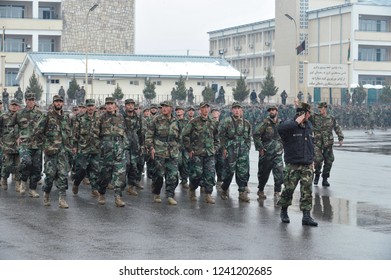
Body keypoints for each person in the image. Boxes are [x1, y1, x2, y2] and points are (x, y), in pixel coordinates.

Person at [277, 102, 318, 226]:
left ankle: (306, 216)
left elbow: (311, 144)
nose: (309, 115)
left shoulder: (309, 125)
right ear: (302, 114)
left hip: (307, 164)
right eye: (308, 113)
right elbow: (280, 128)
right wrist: (295, 122)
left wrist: (313, 160)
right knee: (289, 189)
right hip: (293, 164)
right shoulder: (289, 125)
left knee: (307, 191)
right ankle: (284, 211)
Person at [35, 95, 72, 208]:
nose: (58, 104)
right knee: (50, 175)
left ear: (63, 103)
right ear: (53, 103)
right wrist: (45, 145)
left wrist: (69, 148)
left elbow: (69, 134)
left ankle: (62, 199)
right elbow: (37, 131)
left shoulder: (66, 118)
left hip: (63, 152)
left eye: (60, 102)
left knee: (63, 175)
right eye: (56, 102)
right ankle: (46, 194)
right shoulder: (47, 116)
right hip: (51, 152)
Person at [182, 101, 219, 204]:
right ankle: (192, 189)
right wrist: (189, 149)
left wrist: (215, 148)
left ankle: (208, 194)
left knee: (210, 174)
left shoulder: (213, 122)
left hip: (210, 154)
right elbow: (185, 135)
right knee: (196, 174)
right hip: (197, 153)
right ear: (200, 110)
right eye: (203, 108)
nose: (205, 110)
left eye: (207, 108)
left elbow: (217, 137)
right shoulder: (194, 122)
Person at [145, 100, 180, 205]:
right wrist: (151, 147)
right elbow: (149, 135)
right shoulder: (156, 120)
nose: (164, 108)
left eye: (167, 106)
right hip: (159, 150)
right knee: (159, 175)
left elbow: (180, 136)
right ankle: (156, 193)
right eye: (162, 107)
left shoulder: (176, 121)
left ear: (171, 108)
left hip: (172, 151)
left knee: (173, 175)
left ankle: (170, 195)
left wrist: (178, 146)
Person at [97, 97, 127, 207]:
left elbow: (125, 132)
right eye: (107, 104)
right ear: (105, 106)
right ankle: (101, 193)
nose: (109, 106)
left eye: (111, 104)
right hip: (106, 150)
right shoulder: (100, 118)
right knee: (105, 175)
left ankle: (118, 197)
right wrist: (100, 147)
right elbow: (95, 134)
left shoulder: (121, 117)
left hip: (119, 149)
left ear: (115, 105)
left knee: (120, 175)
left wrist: (124, 146)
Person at [218, 102, 252, 202]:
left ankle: (242, 193)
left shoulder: (246, 123)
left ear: (241, 110)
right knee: (229, 171)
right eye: (235, 108)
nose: (237, 110)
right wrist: (223, 148)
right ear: (232, 110)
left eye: (238, 108)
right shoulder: (227, 121)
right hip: (231, 149)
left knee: (242, 172)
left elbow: (249, 137)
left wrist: (247, 148)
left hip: (242, 151)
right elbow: (221, 136)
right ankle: (224, 189)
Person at [14, 92, 44, 198]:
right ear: (25, 101)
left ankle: (32, 189)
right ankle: (23, 180)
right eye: (28, 99)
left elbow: (45, 128)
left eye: (32, 99)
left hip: (37, 144)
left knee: (36, 167)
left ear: (34, 101)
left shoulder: (40, 113)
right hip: (25, 144)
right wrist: (17, 136)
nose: (30, 101)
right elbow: (13, 125)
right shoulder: (20, 113)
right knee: (26, 162)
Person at [252, 105, 284, 200]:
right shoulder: (265, 123)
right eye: (270, 110)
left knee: (280, 173)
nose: (272, 112)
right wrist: (260, 147)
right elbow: (256, 134)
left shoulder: (281, 123)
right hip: (266, 153)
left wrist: (283, 145)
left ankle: (277, 192)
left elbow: (285, 135)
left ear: (277, 111)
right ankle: (261, 189)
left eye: (273, 110)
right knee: (263, 174)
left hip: (278, 153)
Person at [72, 99, 101, 198]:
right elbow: (75, 133)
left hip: (95, 148)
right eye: (88, 106)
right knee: (82, 169)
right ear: (86, 107)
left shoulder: (99, 118)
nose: (90, 108)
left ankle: (94, 189)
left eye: (92, 106)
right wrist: (75, 146)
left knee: (95, 169)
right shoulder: (80, 118)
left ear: (95, 107)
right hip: (83, 148)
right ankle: (76, 183)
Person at [310, 102, 344, 187]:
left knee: (329, 161)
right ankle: (317, 173)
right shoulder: (315, 117)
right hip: (317, 143)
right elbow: (306, 114)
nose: (319, 109)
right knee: (318, 159)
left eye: (321, 108)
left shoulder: (331, 118)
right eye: (319, 108)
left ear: (325, 108)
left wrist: (340, 138)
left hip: (328, 143)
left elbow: (337, 127)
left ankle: (325, 178)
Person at [123, 98, 144, 196]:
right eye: (128, 104)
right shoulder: (121, 117)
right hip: (124, 145)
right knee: (126, 164)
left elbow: (141, 132)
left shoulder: (137, 117)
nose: (130, 106)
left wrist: (142, 145)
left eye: (132, 104)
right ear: (125, 106)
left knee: (134, 166)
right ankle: (121, 183)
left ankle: (131, 187)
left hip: (135, 145)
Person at [0, 99, 21, 191]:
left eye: (16, 105)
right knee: (7, 165)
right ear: (9, 106)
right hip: (7, 144)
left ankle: (17, 183)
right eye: (12, 105)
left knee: (18, 166)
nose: (14, 106)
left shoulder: (22, 117)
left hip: (19, 146)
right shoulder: (3, 117)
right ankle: (4, 179)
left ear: (19, 107)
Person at [175, 105, 190, 189]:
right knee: (177, 163)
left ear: (184, 112)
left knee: (185, 163)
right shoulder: (173, 121)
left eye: (180, 110)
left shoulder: (188, 122)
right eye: (177, 110)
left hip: (185, 146)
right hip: (176, 146)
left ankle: (184, 180)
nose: (178, 111)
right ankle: (174, 181)